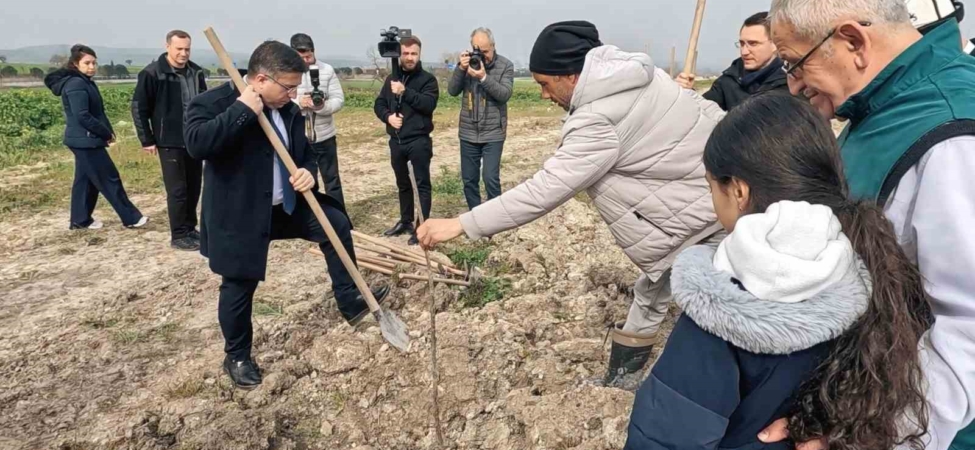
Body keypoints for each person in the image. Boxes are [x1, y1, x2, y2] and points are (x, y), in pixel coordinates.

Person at [417, 21, 726, 387]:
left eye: (546, 85)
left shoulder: (598, 119)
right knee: (653, 289)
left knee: (718, 310)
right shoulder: (643, 76)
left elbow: (544, 190)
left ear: (571, 76)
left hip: (703, 223)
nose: (545, 96)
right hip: (711, 209)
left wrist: (461, 223)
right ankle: (621, 381)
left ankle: (710, 392)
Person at [626, 93, 931, 450]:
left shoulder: (722, 304)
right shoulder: (878, 264)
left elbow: (666, 437)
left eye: (711, 186)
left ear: (738, 190)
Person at [756, 1, 975, 449]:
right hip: (864, 397)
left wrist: (872, 437)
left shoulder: (950, 138)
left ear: (853, 41)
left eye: (794, 63)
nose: (792, 85)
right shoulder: (884, 110)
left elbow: (968, 328)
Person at [184, 41, 388, 390]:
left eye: (296, 87)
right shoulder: (213, 104)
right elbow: (197, 144)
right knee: (238, 283)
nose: (293, 94)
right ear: (261, 80)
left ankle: (350, 300)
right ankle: (237, 356)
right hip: (240, 215)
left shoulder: (289, 111)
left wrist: (308, 172)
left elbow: (304, 153)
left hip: (284, 208)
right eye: (288, 87)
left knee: (335, 223)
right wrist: (241, 110)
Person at [44, 44, 148, 231]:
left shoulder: (84, 81)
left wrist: (106, 131)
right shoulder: (76, 84)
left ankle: (80, 220)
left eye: (94, 63)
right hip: (85, 141)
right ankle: (131, 218)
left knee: (86, 180)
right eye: (87, 63)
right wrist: (105, 133)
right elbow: (82, 115)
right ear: (76, 64)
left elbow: (95, 112)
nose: (92, 66)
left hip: (86, 139)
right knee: (109, 178)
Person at [132, 30, 207, 251]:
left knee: (194, 187)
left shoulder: (196, 72)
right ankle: (178, 234)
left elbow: (204, 102)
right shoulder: (153, 74)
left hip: (193, 138)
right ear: (168, 47)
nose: (183, 53)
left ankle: (190, 228)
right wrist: (147, 139)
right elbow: (139, 108)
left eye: (187, 49)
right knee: (178, 190)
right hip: (169, 140)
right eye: (179, 49)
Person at [374, 35, 439, 246]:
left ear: (419, 55)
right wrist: (388, 117)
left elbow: (428, 104)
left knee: (421, 184)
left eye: (414, 54)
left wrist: (405, 92)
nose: (409, 58)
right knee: (402, 184)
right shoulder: (390, 79)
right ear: (399, 54)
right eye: (405, 53)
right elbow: (379, 104)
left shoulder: (428, 80)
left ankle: (422, 225)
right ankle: (406, 221)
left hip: (418, 141)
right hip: (396, 141)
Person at [447, 27, 515, 210]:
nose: (482, 56)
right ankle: (475, 217)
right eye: (478, 51)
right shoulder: (468, 65)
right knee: (469, 179)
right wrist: (461, 69)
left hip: (493, 132)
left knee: (490, 178)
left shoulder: (506, 66)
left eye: (485, 51)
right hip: (468, 131)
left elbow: (504, 94)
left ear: (493, 46)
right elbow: (452, 91)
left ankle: (495, 218)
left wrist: (484, 77)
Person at [675, 12, 788, 110]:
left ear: (775, 44)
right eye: (742, 43)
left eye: (753, 44)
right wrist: (688, 94)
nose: (744, 52)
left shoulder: (792, 83)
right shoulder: (729, 80)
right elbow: (704, 113)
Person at [290, 33, 347, 208]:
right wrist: (299, 103)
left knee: (332, 180)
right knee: (307, 181)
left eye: (309, 56)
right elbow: (281, 98)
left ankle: (340, 218)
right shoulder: (286, 72)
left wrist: (321, 107)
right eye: (301, 58)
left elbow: (339, 99)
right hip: (298, 137)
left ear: (314, 52)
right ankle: (314, 219)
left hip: (325, 135)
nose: (306, 61)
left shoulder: (327, 70)